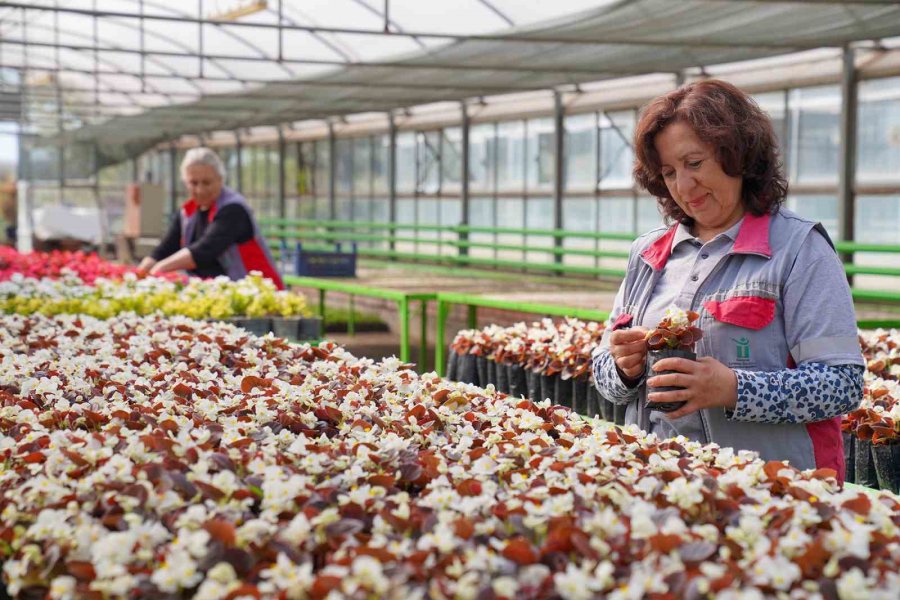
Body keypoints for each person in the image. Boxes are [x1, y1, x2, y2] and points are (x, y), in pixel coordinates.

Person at [591, 80, 863, 480]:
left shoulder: (798, 250)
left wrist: (734, 389)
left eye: (695, 163)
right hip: (662, 483)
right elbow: (603, 374)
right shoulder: (648, 255)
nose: (683, 187)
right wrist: (622, 369)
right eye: (668, 172)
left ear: (737, 153)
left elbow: (842, 384)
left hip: (777, 491)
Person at [138, 147, 284, 289]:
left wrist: (160, 269)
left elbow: (204, 250)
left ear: (220, 180)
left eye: (207, 182)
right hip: (216, 291)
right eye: (193, 183)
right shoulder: (187, 212)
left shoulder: (233, 209)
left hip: (255, 291)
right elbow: (167, 247)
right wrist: (143, 269)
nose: (200, 190)